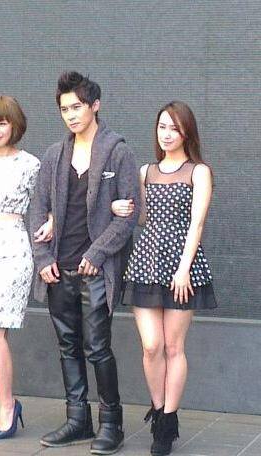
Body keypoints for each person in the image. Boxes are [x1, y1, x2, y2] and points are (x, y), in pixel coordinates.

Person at [30, 71, 140, 454]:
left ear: (95, 105)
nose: (71, 115)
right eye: (65, 109)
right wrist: (43, 258)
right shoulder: (54, 155)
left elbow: (128, 216)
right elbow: (38, 210)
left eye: (77, 107)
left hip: (95, 270)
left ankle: (111, 423)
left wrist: (97, 253)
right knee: (68, 346)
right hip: (59, 268)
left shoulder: (118, 152)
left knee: (97, 347)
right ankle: (78, 420)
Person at [120, 101, 217, 456]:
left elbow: (197, 224)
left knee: (174, 347)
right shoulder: (145, 171)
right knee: (151, 345)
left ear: (186, 132)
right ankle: (158, 408)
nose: (167, 134)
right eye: (162, 126)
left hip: (182, 267)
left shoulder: (198, 172)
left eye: (174, 128)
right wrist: (122, 208)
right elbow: (142, 218)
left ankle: (167, 422)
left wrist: (183, 267)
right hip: (146, 261)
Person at [0, 95, 46, 440]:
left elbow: (46, 204)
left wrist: (50, 224)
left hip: (15, 248)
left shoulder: (30, 164)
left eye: (2, 123)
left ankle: (8, 406)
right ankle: (1, 408)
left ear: (15, 125)